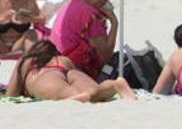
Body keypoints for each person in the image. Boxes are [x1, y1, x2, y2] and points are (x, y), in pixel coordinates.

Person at [6, 40, 136, 101]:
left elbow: (11, 94)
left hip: (47, 76)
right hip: (69, 71)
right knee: (95, 92)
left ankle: (74, 95)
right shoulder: (63, 59)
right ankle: (115, 84)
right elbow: (71, 76)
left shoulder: (27, 61)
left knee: (65, 92)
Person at [49, 0, 118, 78]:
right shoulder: (91, 15)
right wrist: (114, 23)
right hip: (76, 71)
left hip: (55, 63)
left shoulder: (71, 3)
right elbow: (105, 56)